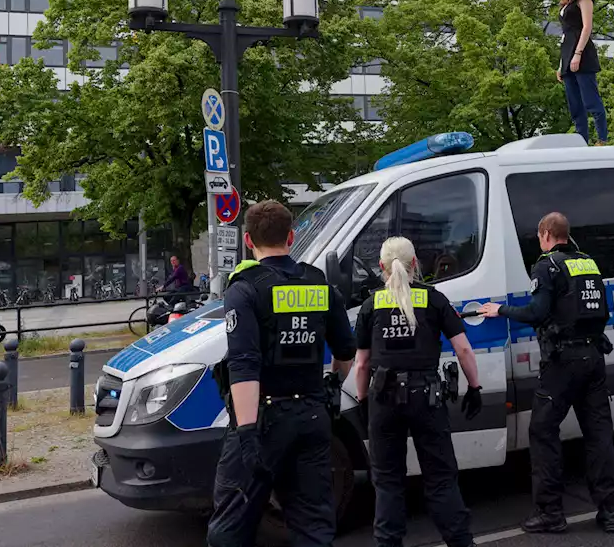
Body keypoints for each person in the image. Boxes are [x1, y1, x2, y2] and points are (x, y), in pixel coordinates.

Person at [206, 200, 357, 547]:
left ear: (248, 241)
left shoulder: (245, 289)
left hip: (263, 421)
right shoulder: (318, 284)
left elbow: (244, 365)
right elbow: (346, 351)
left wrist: (245, 434)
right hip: (312, 416)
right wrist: (333, 384)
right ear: (291, 236)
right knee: (314, 527)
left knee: (229, 530)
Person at [479, 212, 614, 534]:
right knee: (599, 434)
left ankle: (550, 514)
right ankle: (608, 510)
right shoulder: (588, 262)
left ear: (545, 233)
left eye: (538, 235)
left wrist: (499, 309)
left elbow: (537, 312)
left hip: (563, 363)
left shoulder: (547, 265)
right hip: (594, 357)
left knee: (542, 431)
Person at [353, 237, 484, 547]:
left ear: (381, 267)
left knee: (387, 483)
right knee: (440, 478)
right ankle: (460, 542)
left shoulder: (371, 304)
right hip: (426, 397)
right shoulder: (434, 299)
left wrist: (362, 402)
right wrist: (474, 388)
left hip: (383, 400)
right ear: (415, 265)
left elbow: (361, 364)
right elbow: (463, 349)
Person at [553, 0, 608, 145]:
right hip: (567, 54)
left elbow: (587, 27)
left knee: (590, 99)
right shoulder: (565, 3)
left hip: (582, 54)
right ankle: (581, 141)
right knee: (575, 105)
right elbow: (565, 36)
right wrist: (562, 65)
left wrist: (578, 54)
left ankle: (601, 138)